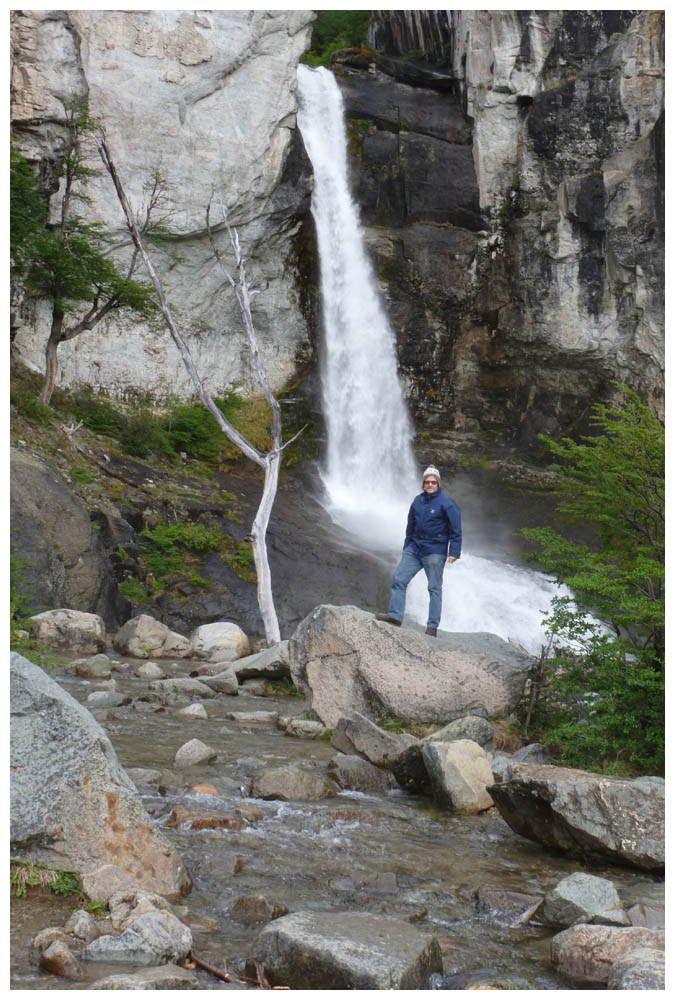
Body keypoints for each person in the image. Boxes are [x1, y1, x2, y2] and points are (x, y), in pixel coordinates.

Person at [377, 465, 461, 636]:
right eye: (427, 482)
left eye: (433, 482)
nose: (430, 484)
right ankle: (395, 616)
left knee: (434, 588)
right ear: (423, 484)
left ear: (438, 483)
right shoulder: (418, 500)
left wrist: (454, 552)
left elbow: (456, 530)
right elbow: (410, 525)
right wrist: (407, 546)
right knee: (399, 579)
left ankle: (432, 627)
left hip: (435, 550)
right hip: (414, 549)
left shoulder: (447, 503)